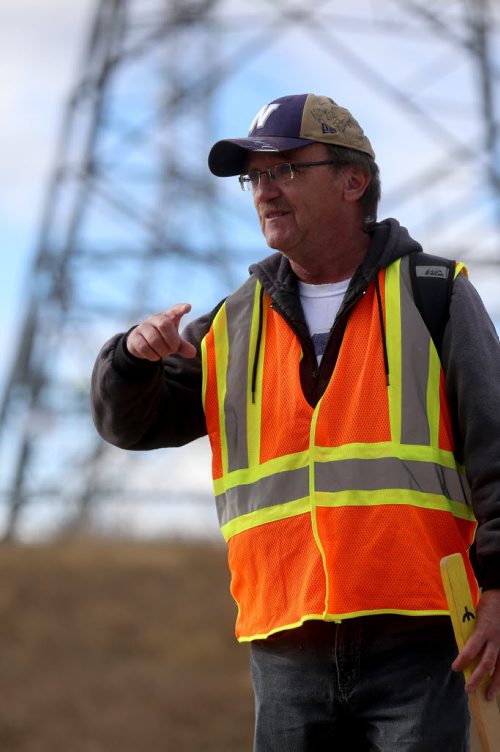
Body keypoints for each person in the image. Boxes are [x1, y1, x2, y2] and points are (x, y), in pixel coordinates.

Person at [91, 93, 500, 751]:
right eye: (254, 177)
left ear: (352, 181)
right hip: (283, 647)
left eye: (284, 170)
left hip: (422, 639)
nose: (265, 192)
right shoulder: (230, 326)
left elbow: (497, 454)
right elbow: (132, 425)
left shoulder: (435, 294)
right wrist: (129, 360)